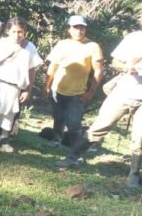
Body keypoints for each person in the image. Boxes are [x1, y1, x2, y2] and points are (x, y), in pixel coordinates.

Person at [56, 28, 142, 184]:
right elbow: (115, 62)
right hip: (123, 92)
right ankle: (71, 158)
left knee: (139, 140)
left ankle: (133, 176)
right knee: (98, 128)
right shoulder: (134, 38)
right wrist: (127, 68)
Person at [0, 18, 43, 152]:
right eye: (14, 31)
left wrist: (27, 90)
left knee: (10, 114)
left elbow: (31, 70)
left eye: (20, 32)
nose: (17, 35)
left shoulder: (29, 47)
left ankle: (4, 139)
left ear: (24, 32)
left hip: (15, 87)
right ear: (7, 31)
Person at [44, 15, 104, 147]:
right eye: (76, 28)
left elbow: (98, 71)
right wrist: (47, 85)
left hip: (78, 92)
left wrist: (90, 92)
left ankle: (75, 150)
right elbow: (53, 66)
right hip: (57, 88)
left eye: (82, 28)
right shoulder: (62, 44)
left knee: (74, 123)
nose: (79, 31)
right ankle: (56, 141)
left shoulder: (92, 46)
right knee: (58, 117)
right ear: (69, 29)